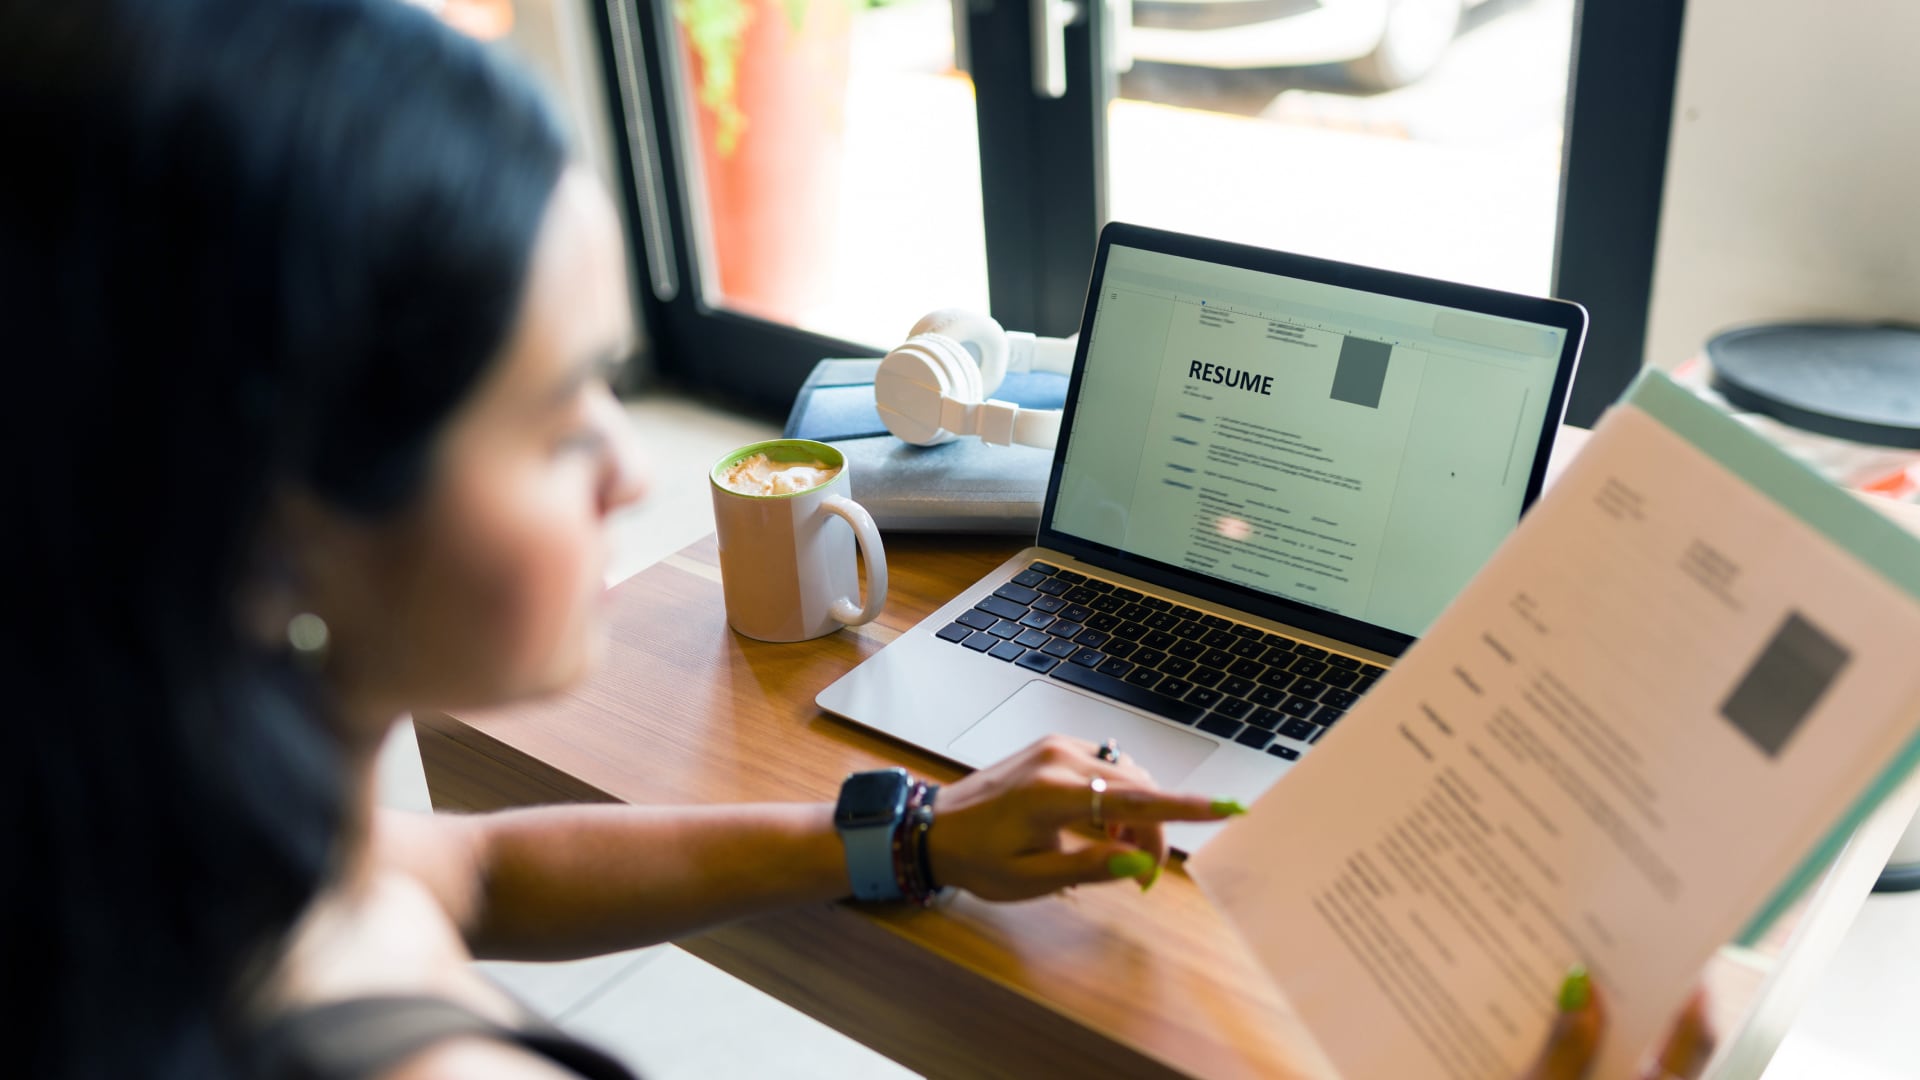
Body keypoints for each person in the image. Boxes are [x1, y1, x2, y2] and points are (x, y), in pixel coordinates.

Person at [0, 1, 1708, 1077]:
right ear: (270, 521)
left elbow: (466, 874)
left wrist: (913, 836)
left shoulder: (174, 847)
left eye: (612, 382)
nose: (624, 465)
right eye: (550, 416)